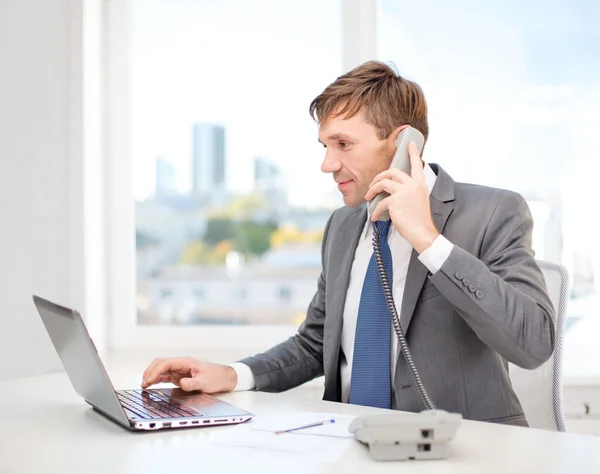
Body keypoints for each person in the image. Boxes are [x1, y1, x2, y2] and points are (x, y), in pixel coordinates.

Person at [141, 61, 555, 426]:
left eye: (344, 144)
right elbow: (316, 342)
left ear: (402, 143)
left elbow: (534, 343)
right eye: (325, 146)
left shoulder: (493, 211)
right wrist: (232, 375)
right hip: (350, 446)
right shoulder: (343, 225)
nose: (327, 164)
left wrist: (428, 240)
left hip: (463, 453)